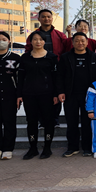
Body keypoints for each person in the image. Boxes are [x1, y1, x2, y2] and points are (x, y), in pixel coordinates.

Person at [58, 32, 96, 157]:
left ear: (87, 42)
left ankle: (87, 147)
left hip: (89, 96)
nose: (80, 43)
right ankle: (72, 147)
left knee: (87, 122)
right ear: (72, 42)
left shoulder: (94, 57)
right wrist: (60, 91)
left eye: (82, 40)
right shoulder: (65, 57)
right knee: (71, 122)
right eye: (77, 40)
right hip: (70, 94)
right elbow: (59, 76)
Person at [17, 30, 59, 159]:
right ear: (31, 41)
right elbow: (20, 77)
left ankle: (47, 148)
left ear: (44, 41)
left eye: (40, 39)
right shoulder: (25, 58)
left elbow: (56, 77)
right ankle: (33, 148)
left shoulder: (51, 57)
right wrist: (19, 94)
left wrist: (56, 94)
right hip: (29, 94)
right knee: (31, 121)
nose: (38, 42)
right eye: (35, 39)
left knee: (48, 121)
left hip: (47, 94)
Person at [0, 31, 21, 161]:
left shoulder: (15, 58)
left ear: (9, 41)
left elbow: (19, 79)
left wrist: (19, 95)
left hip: (10, 96)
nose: (1, 42)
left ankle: (8, 149)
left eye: (4, 39)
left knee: (9, 123)